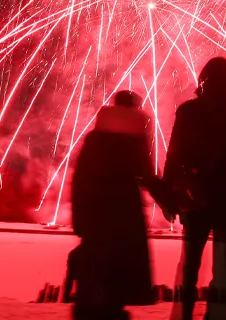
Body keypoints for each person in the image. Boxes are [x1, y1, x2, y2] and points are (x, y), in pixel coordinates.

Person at [163, 57, 226, 320]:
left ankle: (181, 316)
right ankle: (217, 317)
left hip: (194, 202)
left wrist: (168, 197)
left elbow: (173, 156)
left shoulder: (188, 112)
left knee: (188, 268)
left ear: (202, 82)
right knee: (223, 271)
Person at [70, 90, 169, 320]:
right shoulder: (134, 140)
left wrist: (79, 217)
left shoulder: (94, 139)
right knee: (118, 274)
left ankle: (89, 313)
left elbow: (79, 178)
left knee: (94, 273)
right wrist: (170, 201)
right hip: (125, 212)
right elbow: (147, 176)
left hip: (95, 212)